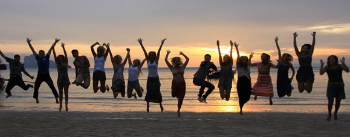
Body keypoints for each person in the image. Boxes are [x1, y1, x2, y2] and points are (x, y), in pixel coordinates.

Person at [138, 38, 166, 112]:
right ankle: (147, 106)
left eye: (153, 55)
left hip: (156, 78)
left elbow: (159, 51)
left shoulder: (156, 61)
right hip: (150, 78)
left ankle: (160, 104)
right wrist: (141, 44)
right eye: (150, 55)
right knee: (149, 91)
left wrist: (161, 44)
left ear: (154, 56)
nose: (151, 56)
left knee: (157, 91)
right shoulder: (148, 61)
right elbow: (144, 52)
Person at [27, 38, 59, 104]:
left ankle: (56, 98)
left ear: (44, 54)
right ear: (39, 54)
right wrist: (29, 43)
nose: (41, 55)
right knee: (36, 87)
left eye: (42, 54)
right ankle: (36, 99)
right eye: (40, 54)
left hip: (47, 75)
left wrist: (55, 42)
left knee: (52, 87)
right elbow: (32, 50)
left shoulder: (47, 57)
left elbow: (51, 48)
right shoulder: (37, 57)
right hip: (40, 75)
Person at [320, 56, 349, 121]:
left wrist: (343, 63)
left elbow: (347, 71)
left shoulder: (340, 66)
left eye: (333, 59)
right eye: (330, 59)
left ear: (336, 60)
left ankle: (335, 112)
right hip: (331, 85)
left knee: (338, 101)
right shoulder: (327, 67)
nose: (331, 60)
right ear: (328, 60)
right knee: (330, 101)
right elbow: (321, 73)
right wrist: (321, 65)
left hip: (340, 85)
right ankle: (329, 113)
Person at [165, 50, 189, 117]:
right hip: (175, 83)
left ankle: (178, 110)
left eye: (178, 60)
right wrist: (167, 53)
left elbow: (187, 59)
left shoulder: (182, 67)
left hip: (182, 83)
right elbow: (166, 60)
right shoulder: (171, 67)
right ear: (174, 61)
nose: (177, 61)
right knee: (173, 95)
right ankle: (178, 96)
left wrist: (182, 54)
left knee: (181, 98)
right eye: (176, 60)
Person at [234, 41, 252, 115]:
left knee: (248, 95)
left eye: (245, 59)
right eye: (243, 59)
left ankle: (243, 103)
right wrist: (237, 48)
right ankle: (241, 109)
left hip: (247, 81)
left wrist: (250, 84)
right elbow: (238, 57)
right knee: (240, 95)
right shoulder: (239, 65)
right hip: (241, 81)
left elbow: (249, 75)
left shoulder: (247, 66)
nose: (244, 60)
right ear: (241, 60)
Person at [52, 42, 70, 111]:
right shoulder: (57, 64)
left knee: (66, 93)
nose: (60, 59)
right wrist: (53, 48)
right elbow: (54, 55)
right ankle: (60, 105)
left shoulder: (65, 63)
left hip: (66, 79)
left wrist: (63, 47)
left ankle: (66, 106)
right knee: (60, 93)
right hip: (60, 79)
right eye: (59, 58)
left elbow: (66, 55)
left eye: (61, 58)